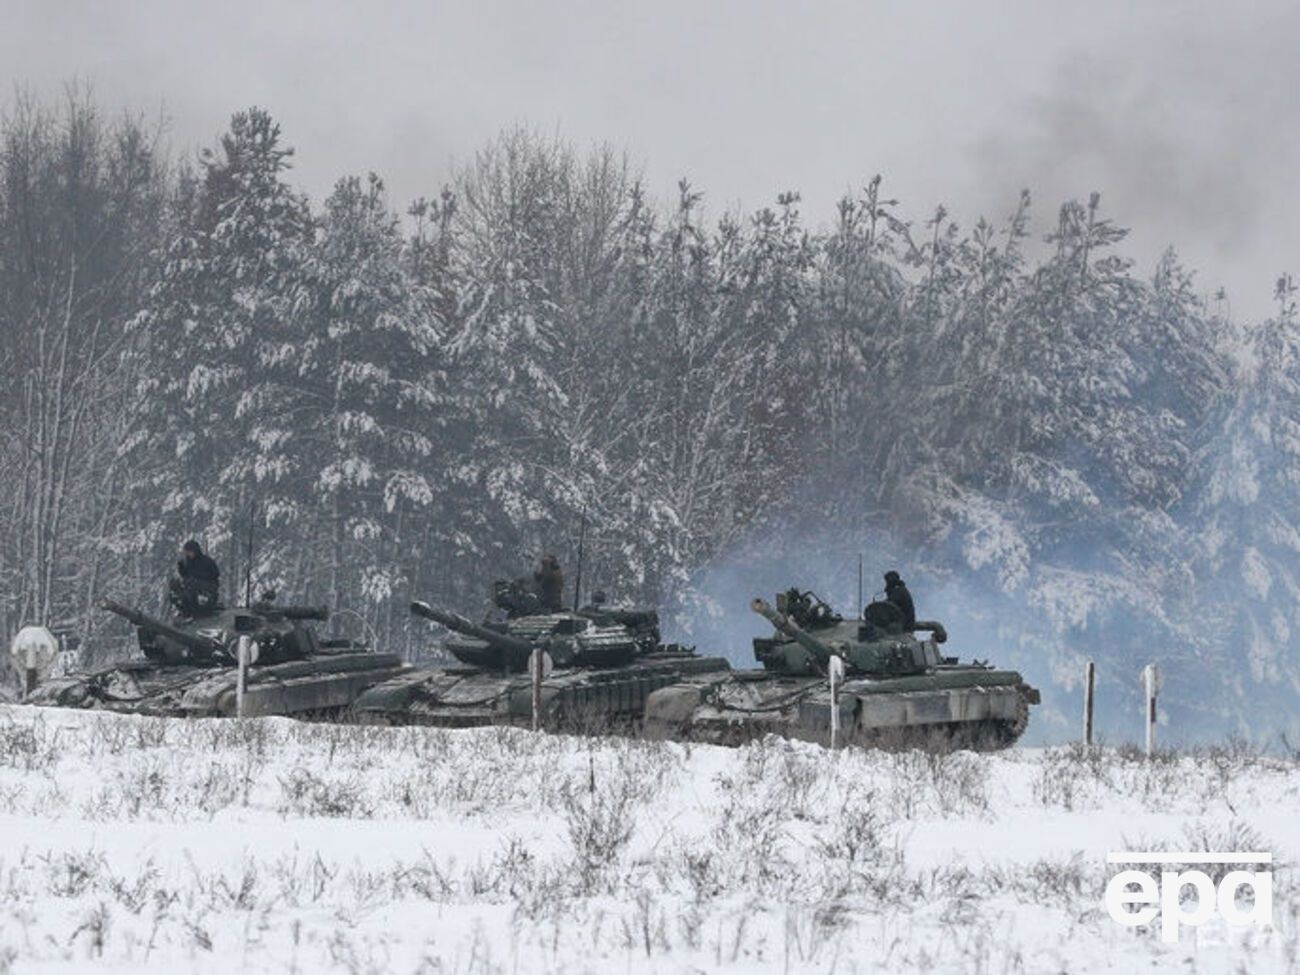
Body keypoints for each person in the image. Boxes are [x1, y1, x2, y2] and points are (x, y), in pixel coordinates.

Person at [171, 539, 221, 615]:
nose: (188, 554)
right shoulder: (189, 562)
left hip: (207, 587)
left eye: (189, 552)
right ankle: (184, 605)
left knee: (192, 584)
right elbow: (185, 575)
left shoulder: (206, 561)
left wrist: (199, 577)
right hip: (192, 586)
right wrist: (181, 566)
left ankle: (198, 605)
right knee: (176, 584)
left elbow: (215, 574)